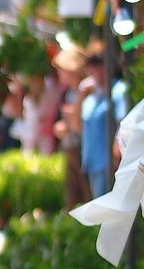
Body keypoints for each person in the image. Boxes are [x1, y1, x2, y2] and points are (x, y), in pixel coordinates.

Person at [80, 52, 128, 199]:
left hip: (109, 161)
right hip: (92, 161)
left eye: (98, 66)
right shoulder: (91, 96)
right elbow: (75, 125)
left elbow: (123, 123)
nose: (93, 72)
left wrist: (116, 153)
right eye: (91, 67)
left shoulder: (119, 90)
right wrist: (80, 93)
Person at [52, 46, 93, 211]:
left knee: (86, 193)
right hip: (71, 147)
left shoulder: (86, 90)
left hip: (82, 148)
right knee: (73, 195)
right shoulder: (69, 91)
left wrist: (68, 122)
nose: (59, 73)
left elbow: (78, 124)